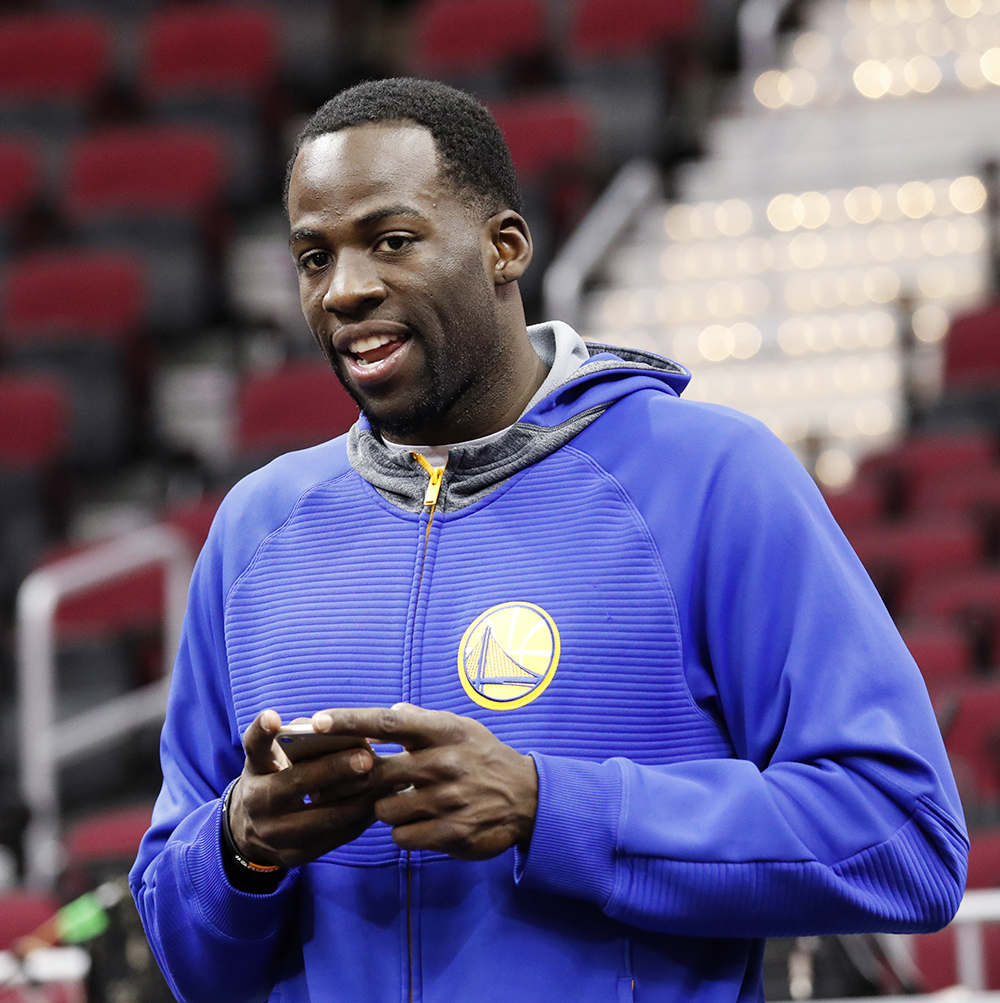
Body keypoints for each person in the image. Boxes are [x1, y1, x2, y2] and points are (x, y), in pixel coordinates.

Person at [130, 78, 967, 1003]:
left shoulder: (710, 475)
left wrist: (548, 807)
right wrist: (240, 847)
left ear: (504, 247)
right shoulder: (255, 526)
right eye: (313, 256)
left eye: (391, 241)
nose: (346, 289)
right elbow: (183, 946)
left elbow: (905, 838)